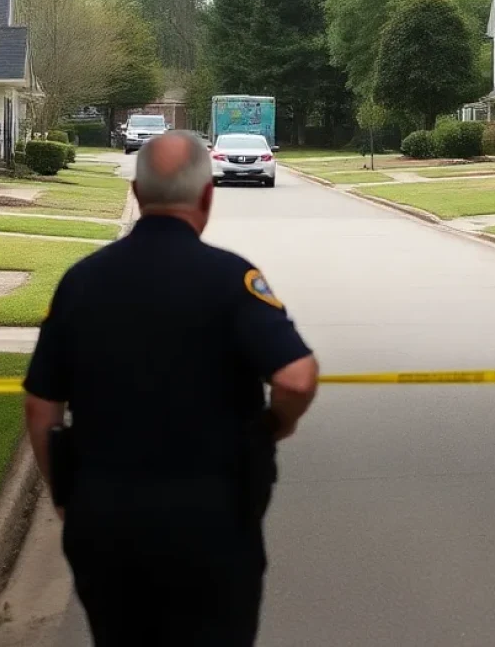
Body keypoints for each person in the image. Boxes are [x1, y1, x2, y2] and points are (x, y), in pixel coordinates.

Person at [23, 131, 319, 646]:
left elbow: (40, 406)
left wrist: (66, 495)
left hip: (106, 517)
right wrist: (274, 425)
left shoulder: (82, 282)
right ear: (207, 195)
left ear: (137, 194)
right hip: (212, 519)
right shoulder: (232, 279)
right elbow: (296, 377)